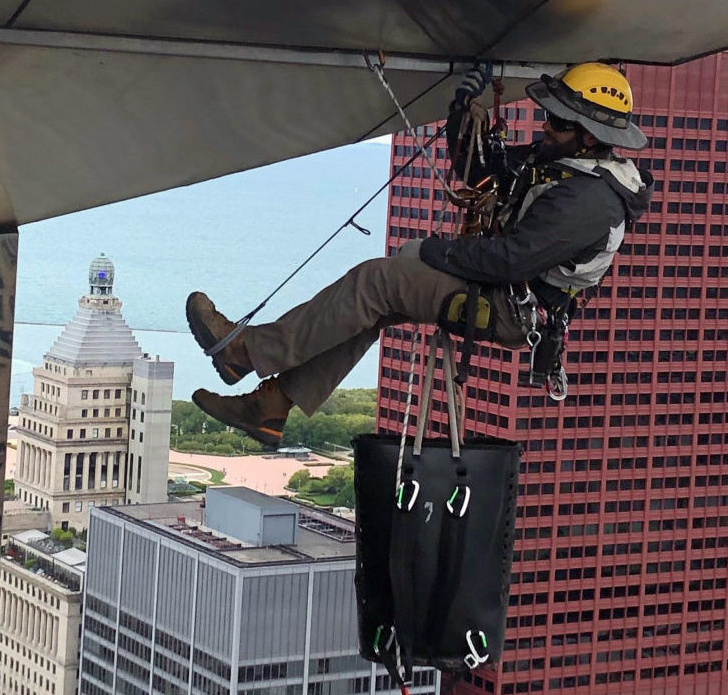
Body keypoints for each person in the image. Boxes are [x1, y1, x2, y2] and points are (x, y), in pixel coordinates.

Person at [186, 60, 654, 445]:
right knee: (384, 291)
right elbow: (481, 169)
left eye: (556, 121)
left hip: (512, 307)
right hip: (505, 289)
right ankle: (270, 406)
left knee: (379, 281)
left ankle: (247, 351)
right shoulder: (563, 164)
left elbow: (510, 260)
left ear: (589, 135)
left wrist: (438, 251)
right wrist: (460, 111)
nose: (546, 126)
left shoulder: (588, 201)